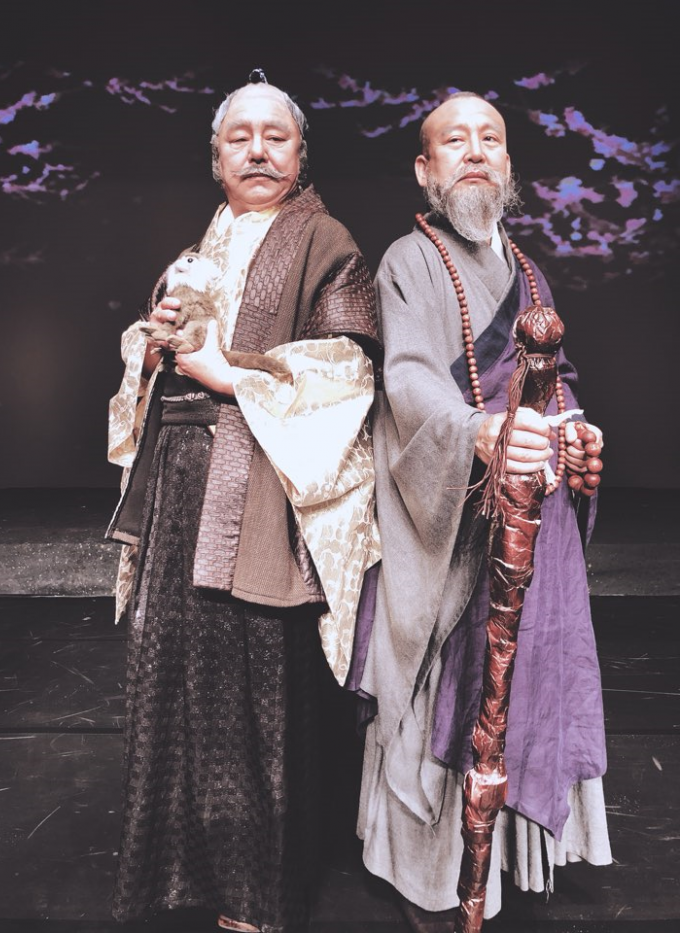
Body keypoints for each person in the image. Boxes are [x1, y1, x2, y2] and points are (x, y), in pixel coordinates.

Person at [105, 70, 380, 932]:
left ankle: (258, 892)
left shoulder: (326, 239)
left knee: (254, 686)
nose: (258, 151)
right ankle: (176, 871)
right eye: (240, 137)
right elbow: (160, 347)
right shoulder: (203, 245)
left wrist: (230, 376)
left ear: (301, 153)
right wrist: (152, 350)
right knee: (172, 675)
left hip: (260, 484)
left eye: (276, 137)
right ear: (216, 156)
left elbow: (349, 366)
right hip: (182, 486)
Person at [353, 92, 612, 931]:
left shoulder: (528, 271)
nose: (474, 151)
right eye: (453, 140)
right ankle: (430, 874)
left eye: (490, 139)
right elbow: (409, 380)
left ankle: (506, 864)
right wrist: (482, 431)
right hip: (454, 519)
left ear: (507, 165)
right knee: (450, 689)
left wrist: (573, 432)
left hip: (531, 512)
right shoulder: (409, 261)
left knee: (524, 682)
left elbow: (556, 382)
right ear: (424, 170)